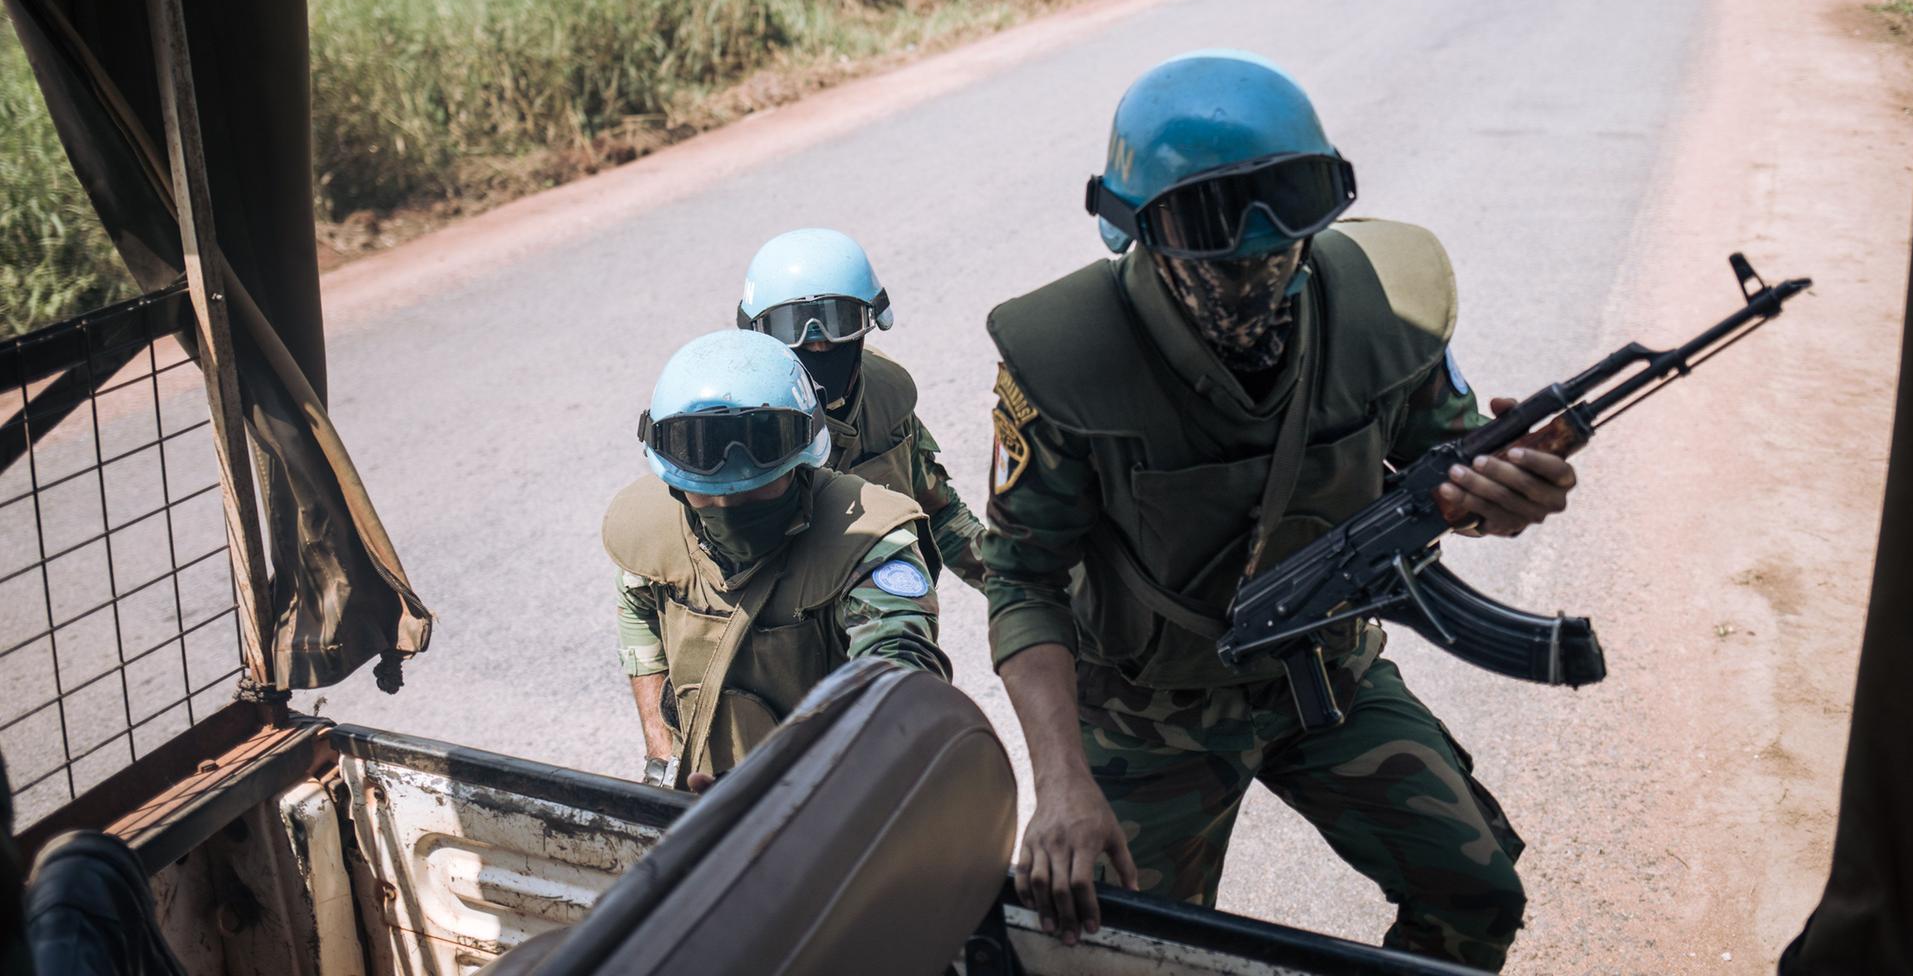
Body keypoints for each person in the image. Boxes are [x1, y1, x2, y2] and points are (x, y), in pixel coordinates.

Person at [979, 51, 1580, 972]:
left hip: (1324, 676)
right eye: (1209, 220)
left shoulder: (1384, 311)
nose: (1254, 251)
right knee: (1112, 953)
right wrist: (1060, 784)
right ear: (1135, 227)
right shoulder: (1064, 361)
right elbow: (1023, 577)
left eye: (1287, 206)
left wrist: (1505, 499)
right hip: (1148, 714)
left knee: (1475, 897)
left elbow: (1453, 479)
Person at [606, 329, 949, 792]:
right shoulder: (650, 529)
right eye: (707, 490)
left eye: (754, 485)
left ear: (800, 462)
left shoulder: (867, 539)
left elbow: (899, 668)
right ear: (674, 480)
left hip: (842, 791)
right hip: (700, 793)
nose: (727, 502)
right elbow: (638, 606)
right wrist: (661, 756)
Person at [736, 229, 986, 587]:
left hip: (886, 604)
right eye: (791, 328)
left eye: (839, 322)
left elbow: (940, 513)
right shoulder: (741, 429)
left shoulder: (884, 399)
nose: (818, 344)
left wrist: (1026, 593)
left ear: (870, 322)